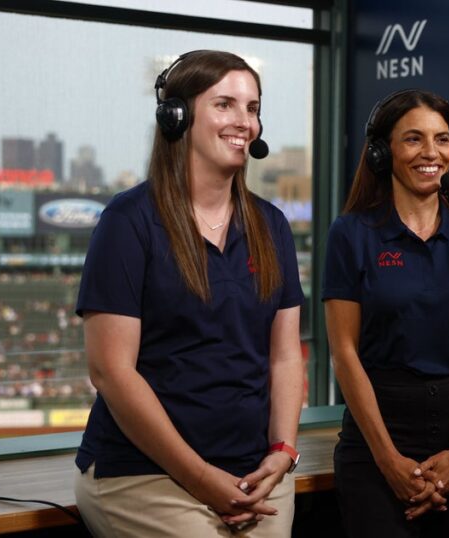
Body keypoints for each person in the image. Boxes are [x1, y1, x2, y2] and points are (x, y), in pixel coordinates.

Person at [73, 50, 305, 537]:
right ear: (175, 117)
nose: (244, 121)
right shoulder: (127, 222)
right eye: (225, 104)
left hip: (253, 473)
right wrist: (202, 479)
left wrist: (282, 451)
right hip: (144, 475)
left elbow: (284, 357)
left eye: (253, 107)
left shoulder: (272, 225)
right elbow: (111, 372)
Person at [322, 89, 449, 537]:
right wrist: (388, 460)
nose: (431, 153)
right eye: (413, 139)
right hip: (376, 443)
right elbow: (344, 354)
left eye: (442, 140)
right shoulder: (351, 235)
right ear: (383, 152)